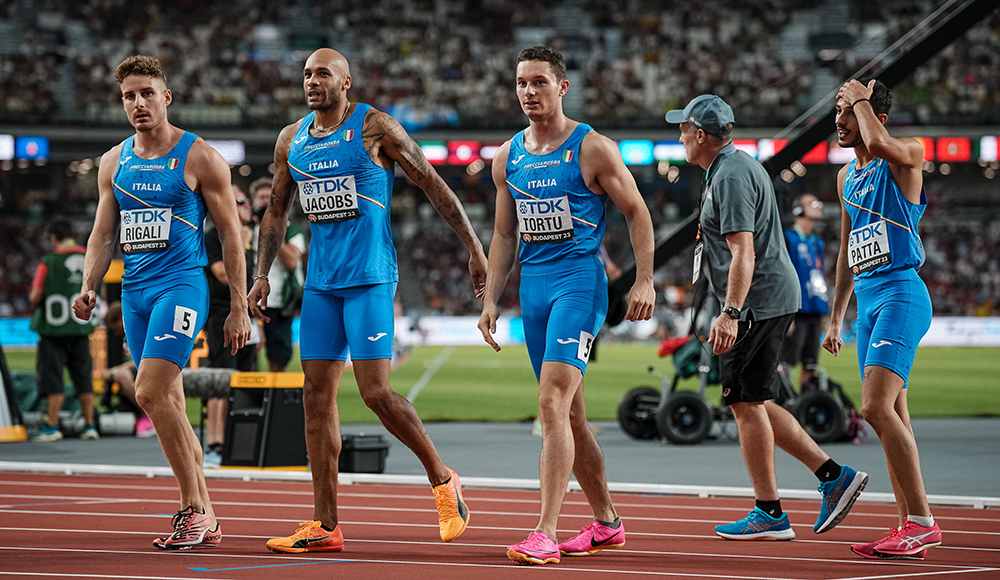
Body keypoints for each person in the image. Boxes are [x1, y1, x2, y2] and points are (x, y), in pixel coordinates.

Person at [248, 48, 488, 553]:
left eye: (324, 74)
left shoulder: (375, 128)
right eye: (307, 74)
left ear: (346, 82)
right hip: (319, 286)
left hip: (370, 279)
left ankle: (444, 482)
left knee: (375, 393)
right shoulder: (291, 140)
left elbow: (432, 182)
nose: (313, 81)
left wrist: (474, 248)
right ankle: (325, 523)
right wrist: (261, 273)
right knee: (316, 397)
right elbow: (275, 213)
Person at [477, 46, 656, 566]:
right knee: (573, 417)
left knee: (551, 402)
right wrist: (491, 298)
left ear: (561, 87)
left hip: (579, 282)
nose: (528, 92)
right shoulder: (507, 157)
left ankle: (545, 531)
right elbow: (504, 233)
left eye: (538, 82)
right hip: (532, 287)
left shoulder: (592, 148)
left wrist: (643, 280)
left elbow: (637, 212)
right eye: (521, 83)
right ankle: (607, 522)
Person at [664, 94, 867, 541]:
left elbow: (743, 251)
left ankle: (772, 509)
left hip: (757, 303)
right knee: (753, 400)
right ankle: (830, 477)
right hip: (770, 298)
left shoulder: (731, 176)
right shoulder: (734, 167)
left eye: (683, 129)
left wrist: (731, 312)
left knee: (743, 402)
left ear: (700, 134)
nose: (679, 136)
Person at [72, 55, 251, 549]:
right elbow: (102, 236)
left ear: (165, 97)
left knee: (148, 392)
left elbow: (232, 237)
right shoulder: (114, 161)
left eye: (147, 93)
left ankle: (193, 509)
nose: (138, 103)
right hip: (135, 293)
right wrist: (88, 286)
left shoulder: (200, 157)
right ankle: (207, 516)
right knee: (168, 399)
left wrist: (238, 306)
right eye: (129, 95)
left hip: (182, 286)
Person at [824, 79, 940, 560]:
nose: (839, 120)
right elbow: (850, 248)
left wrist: (864, 102)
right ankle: (905, 524)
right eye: (838, 110)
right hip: (868, 303)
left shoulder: (905, 154)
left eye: (847, 111)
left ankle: (923, 523)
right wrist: (836, 315)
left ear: (875, 116)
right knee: (896, 418)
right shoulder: (845, 178)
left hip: (901, 293)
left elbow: (880, 144)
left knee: (873, 408)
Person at [202, 184, 260, 468]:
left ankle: (241, 442)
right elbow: (223, 275)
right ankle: (214, 444)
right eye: (241, 201)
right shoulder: (214, 237)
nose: (248, 206)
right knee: (221, 380)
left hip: (248, 317)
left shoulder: (251, 237)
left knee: (247, 381)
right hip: (222, 316)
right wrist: (244, 243)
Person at [29, 219, 98, 441]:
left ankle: (51, 427)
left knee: (53, 379)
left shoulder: (48, 262)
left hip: (53, 331)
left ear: (52, 238)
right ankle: (89, 425)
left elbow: (36, 296)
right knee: (83, 378)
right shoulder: (88, 257)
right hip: (80, 329)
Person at [249, 176, 305, 372]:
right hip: (249, 298)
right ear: (253, 201)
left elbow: (291, 262)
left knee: (278, 355)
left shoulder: (291, 230)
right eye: (261, 197)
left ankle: (275, 397)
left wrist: (272, 231)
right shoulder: (245, 230)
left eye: (268, 197)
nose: (264, 201)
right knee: (246, 355)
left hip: (279, 302)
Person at [780, 193, 829, 390]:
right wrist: (786, 313)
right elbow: (782, 275)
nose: (818, 206)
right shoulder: (788, 238)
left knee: (811, 362)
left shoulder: (817, 242)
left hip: (815, 308)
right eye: (812, 203)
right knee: (785, 360)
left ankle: (805, 406)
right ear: (798, 209)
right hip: (796, 310)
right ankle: (783, 405)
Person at [102, 301, 155, 437]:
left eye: (117, 328)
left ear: (121, 318)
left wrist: (116, 370)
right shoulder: (123, 338)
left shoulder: (142, 328)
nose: (117, 333)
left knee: (120, 374)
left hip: (148, 369)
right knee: (115, 374)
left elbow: (147, 357)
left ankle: (149, 415)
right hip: (135, 372)